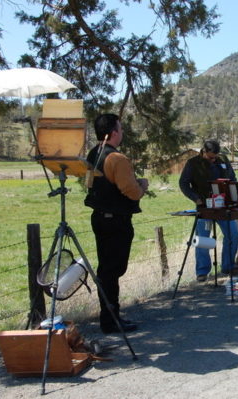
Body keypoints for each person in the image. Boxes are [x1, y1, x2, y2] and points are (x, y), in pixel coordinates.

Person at [84, 113, 149, 334]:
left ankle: (109, 314)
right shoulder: (117, 159)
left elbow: (89, 183)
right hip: (116, 221)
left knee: (106, 270)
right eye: (120, 130)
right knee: (112, 271)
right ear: (113, 133)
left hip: (99, 216)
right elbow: (131, 192)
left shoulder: (93, 154)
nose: (122, 134)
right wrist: (143, 186)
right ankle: (111, 320)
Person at [179, 140, 238, 282]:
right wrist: (196, 199)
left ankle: (228, 267)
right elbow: (183, 183)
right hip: (204, 207)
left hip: (225, 207)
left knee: (233, 234)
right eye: (211, 157)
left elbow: (232, 178)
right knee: (203, 240)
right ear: (203, 151)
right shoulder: (192, 163)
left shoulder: (223, 160)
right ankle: (202, 272)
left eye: (215, 157)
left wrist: (236, 197)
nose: (214, 160)